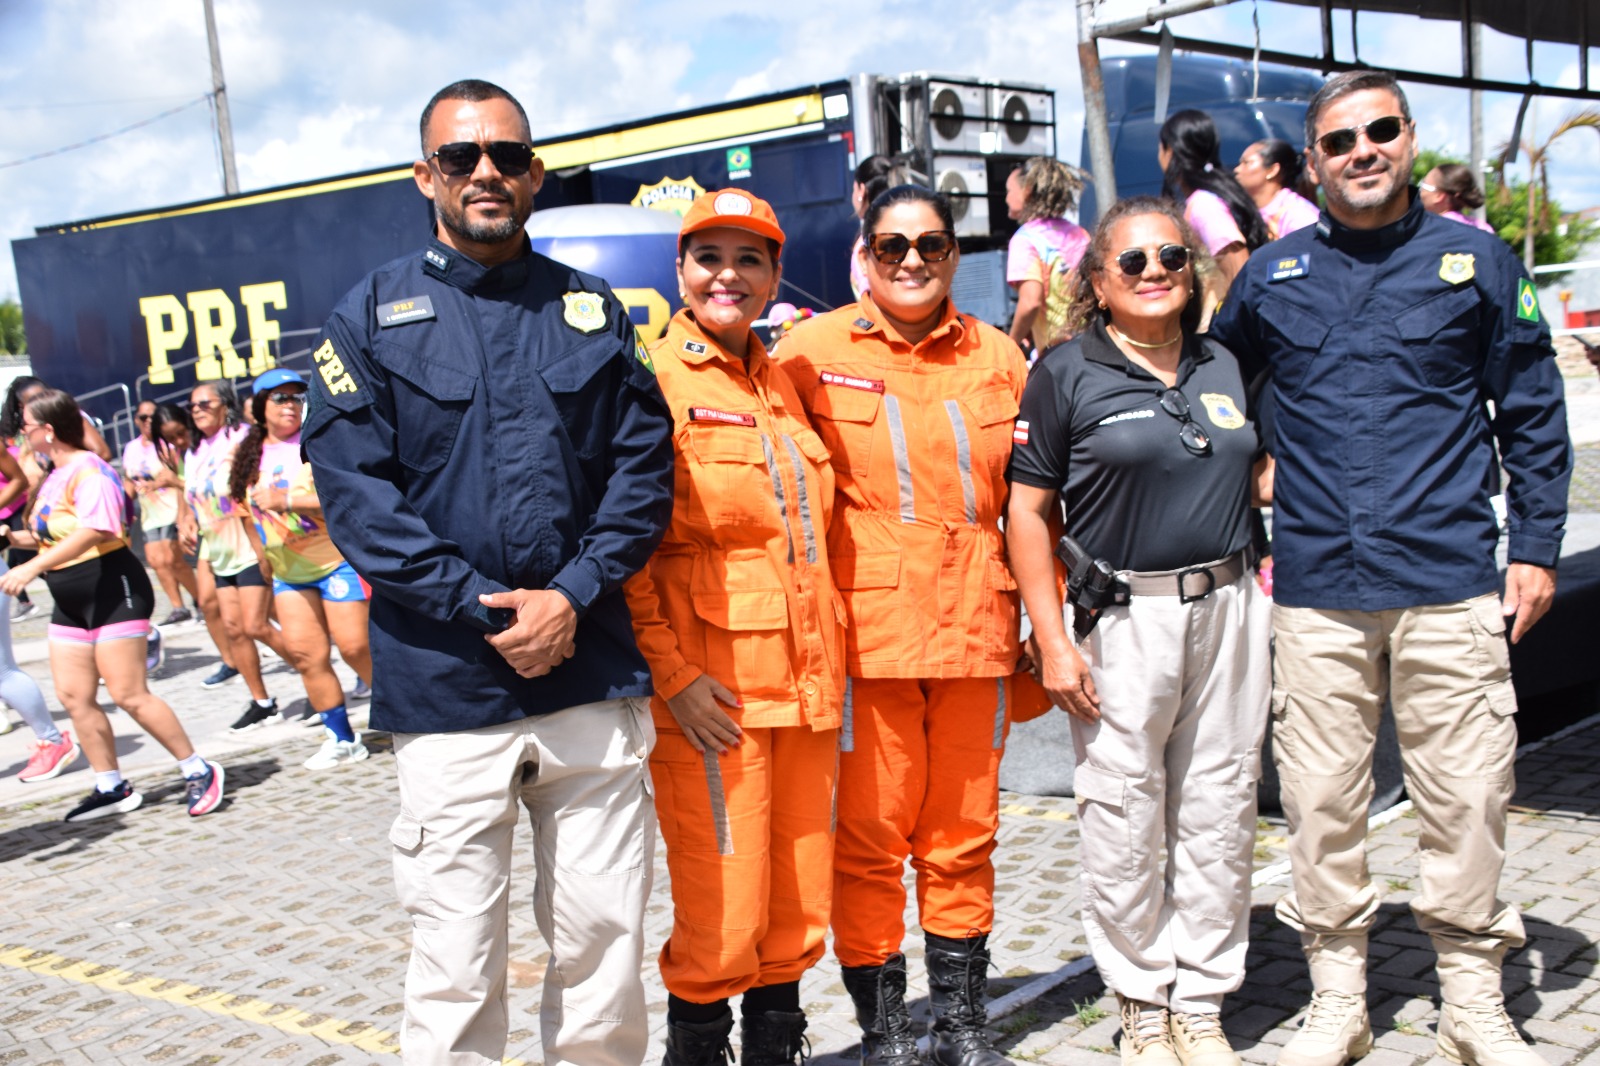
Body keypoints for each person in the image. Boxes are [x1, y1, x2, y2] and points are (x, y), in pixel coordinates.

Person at [301, 79, 674, 1066]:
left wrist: (573, 593)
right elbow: (356, 497)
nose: (485, 173)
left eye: (507, 156)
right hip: (446, 685)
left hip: (586, 674)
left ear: (534, 173)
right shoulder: (370, 318)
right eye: (461, 157)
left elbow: (643, 472)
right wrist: (478, 604)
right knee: (457, 959)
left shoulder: (589, 313)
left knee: (604, 944)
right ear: (424, 175)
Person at [1210, 70, 1571, 1066]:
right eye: (1338, 140)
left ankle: (1471, 1001)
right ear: (1311, 159)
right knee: (1321, 803)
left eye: (1379, 131)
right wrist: (1248, 479)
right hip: (1318, 589)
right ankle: (1338, 1000)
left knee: (1468, 795)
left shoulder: (1479, 264)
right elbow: (1209, 397)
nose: (1361, 151)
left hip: (1450, 580)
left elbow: (1534, 414)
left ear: (1407, 138)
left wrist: (1535, 549)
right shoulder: (1270, 278)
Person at [777, 184, 1044, 1066]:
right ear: (866, 254)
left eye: (931, 244)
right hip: (868, 641)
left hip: (978, 632)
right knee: (866, 847)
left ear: (955, 254)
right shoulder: (809, 352)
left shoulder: (1000, 356)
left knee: (965, 839)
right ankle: (887, 1033)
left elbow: (1036, 502)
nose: (913, 261)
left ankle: (963, 1027)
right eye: (892, 246)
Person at [1006, 195, 1272, 1066]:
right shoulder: (1065, 372)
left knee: (1222, 809)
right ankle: (1142, 1004)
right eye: (1133, 262)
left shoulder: (1226, 364)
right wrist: (1051, 638)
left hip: (1230, 612)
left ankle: (1200, 1000)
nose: (1156, 273)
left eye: (1171, 258)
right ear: (1097, 281)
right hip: (1121, 623)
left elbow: (1260, 470)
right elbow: (1029, 513)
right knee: (1122, 817)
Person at [623, 189, 845, 1065]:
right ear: (680, 271)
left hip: (805, 689)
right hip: (715, 695)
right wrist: (673, 675)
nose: (730, 274)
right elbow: (627, 552)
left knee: (795, 898)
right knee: (720, 906)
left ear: (775, 275)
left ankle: (775, 1048)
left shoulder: (783, 381)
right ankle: (697, 1050)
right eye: (710, 256)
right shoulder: (649, 380)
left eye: (751, 259)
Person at [0, 389, 225, 821]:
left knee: (127, 693)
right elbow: (55, 534)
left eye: (27, 426)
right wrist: (13, 539)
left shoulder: (91, 470)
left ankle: (198, 769)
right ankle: (110, 784)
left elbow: (95, 530)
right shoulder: (53, 474)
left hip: (111, 586)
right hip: (70, 595)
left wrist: (30, 569)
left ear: (48, 430)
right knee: (74, 695)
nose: (22, 432)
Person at [228, 367, 373, 770]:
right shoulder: (247, 455)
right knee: (308, 657)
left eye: (297, 397)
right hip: (289, 572)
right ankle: (342, 738)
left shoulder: (317, 441)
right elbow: (244, 510)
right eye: (280, 398)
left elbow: (348, 498)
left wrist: (289, 501)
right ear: (259, 408)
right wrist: (261, 555)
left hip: (335, 561)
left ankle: (408, 717)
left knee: (355, 646)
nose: (291, 405)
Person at [179, 380, 282, 723]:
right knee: (236, 630)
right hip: (219, 549)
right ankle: (262, 702)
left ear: (226, 406)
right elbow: (192, 494)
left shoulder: (242, 440)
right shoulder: (193, 452)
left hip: (250, 544)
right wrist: (187, 521)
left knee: (257, 626)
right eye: (192, 406)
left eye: (204, 404)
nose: (197, 410)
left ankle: (313, 671)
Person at [1158, 110, 1269, 293]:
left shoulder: (1204, 205)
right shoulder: (1215, 191)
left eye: (1160, 148)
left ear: (1169, 150)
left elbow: (1239, 271)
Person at [122, 400, 200, 626]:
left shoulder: (171, 444)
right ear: (136, 420)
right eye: (142, 417)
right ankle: (178, 607)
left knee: (172, 559)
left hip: (172, 508)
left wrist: (182, 515)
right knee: (156, 561)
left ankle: (200, 600)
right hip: (149, 512)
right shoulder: (132, 448)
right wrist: (126, 510)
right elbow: (129, 479)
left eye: (151, 416)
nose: (147, 421)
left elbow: (180, 478)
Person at [1005, 156, 1090, 357]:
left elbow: (1031, 302)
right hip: (1091, 343)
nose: (1006, 198)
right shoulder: (1081, 234)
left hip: (1058, 352)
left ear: (1026, 191)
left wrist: (1010, 345)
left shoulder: (1026, 239)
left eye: (1009, 191)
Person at [1234, 139, 1320, 240]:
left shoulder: (1299, 216)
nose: (1237, 170)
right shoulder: (1244, 211)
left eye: (1246, 163)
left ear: (1272, 170)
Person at [850, 155, 898, 300]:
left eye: (853, 189)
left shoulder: (866, 244)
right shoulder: (905, 231)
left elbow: (872, 299)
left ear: (861, 191)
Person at [1419, 162, 1497, 234]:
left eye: (1423, 185)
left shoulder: (1431, 230)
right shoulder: (1483, 228)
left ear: (1439, 196)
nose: (1420, 190)